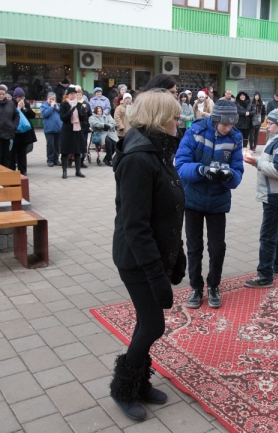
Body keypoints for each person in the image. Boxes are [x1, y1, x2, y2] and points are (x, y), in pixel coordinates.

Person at [110, 90, 185, 422]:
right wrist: (156, 275)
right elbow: (135, 225)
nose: (178, 123)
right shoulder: (139, 159)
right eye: (175, 117)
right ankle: (123, 387)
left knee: (147, 322)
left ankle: (139, 383)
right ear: (159, 119)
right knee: (153, 325)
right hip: (137, 258)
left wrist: (178, 253)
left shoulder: (157, 152)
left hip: (154, 253)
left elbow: (168, 212)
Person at [176, 99, 244, 310]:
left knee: (217, 247)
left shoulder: (235, 137)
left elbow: (238, 170)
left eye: (231, 124)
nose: (227, 128)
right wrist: (201, 170)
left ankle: (213, 285)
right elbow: (180, 165)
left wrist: (229, 176)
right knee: (194, 247)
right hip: (193, 199)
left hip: (217, 200)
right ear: (215, 120)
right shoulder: (195, 131)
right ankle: (196, 287)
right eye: (224, 124)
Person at [243, 107, 278, 288]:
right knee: (277, 232)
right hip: (276, 194)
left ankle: (265, 275)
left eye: (271, 123)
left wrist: (256, 162)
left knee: (268, 236)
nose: (267, 126)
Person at [59, 87, 88, 179]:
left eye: (74, 94)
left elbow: (83, 119)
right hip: (67, 130)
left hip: (77, 129)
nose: (72, 95)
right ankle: (64, 171)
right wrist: (71, 110)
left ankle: (78, 171)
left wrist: (83, 113)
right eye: (70, 94)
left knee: (77, 150)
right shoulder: (64, 104)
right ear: (67, 95)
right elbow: (63, 118)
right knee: (65, 151)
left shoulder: (79, 104)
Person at [11, 87, 36, 175]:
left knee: (22, 153)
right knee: (13, 152)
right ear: (15, 97)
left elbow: (32, 115)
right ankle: (12, 169)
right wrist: (18, 108)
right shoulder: (11, 104)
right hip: (15, 132)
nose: (21, 99)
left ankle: (23, 170)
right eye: (19, 97)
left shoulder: (25, 104)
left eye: (23, 97)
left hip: (24, 132)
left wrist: (24, 108)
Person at [41, 92, 63, 167]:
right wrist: (51, 107)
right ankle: (50, 159)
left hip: (58, 128)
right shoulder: (44, 106)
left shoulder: (58, 105)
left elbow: (62, 113)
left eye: (53, 99)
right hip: (49, 129)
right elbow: (45, 114)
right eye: (50, 99)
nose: (52, 100)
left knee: (57, 145)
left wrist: (57, 108)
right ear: (47, 98)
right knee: (50, 145)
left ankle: (56, 159)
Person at [76, 88, 92, 168]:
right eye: (77, 95)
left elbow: (90, 114)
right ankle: (74, 160)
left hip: (84, 126)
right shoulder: (73, 104)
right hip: (75, 127)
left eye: (80, 95)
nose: (78, 96)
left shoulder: (86, 104)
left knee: (84, 143)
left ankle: (82, 160)